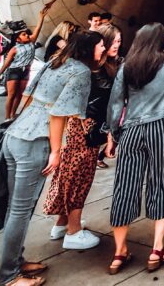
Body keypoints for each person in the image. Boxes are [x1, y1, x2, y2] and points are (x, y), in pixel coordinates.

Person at [0, 30, 101, 286]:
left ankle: (16, 262)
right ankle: (8, 277)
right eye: (100, 46)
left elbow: (28, 97)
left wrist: (18, 123)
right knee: (21, 211)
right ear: (88, 50)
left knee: (16, 209)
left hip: (16, 134)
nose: (102, 50)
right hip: (35, 143)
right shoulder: (80, 72)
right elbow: (59, 114)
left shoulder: (53, 63)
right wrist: (56, 151)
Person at [105, 24, 164, 275]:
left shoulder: (127, 65)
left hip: (131, 130)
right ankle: (157, 250)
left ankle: (119, 253)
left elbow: (115, 103)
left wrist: (113, 133)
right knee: (161, 182)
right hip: (162, 127)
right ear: (163, 40)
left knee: (125, 185)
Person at [43, 26, 120, 250]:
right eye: (108, 43)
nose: (112, 46)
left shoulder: (88, 68)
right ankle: (73, 232)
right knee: (78, 178)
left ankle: (62, 223)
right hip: (82, 131)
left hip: (82, 130)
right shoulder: (84, 72)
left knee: (69, 175)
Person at [0, 28, 35, 121]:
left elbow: (37, 30)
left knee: (19, 95)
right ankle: (7, 117)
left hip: (26, 72)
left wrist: (41, 18)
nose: (27, 35)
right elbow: (7, 63)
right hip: (14, 71)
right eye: (23, 35)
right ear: (18, 39)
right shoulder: (14, 49)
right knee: (11, 95)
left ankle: (13, 114)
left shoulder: (32, 44)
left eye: (26, 34)